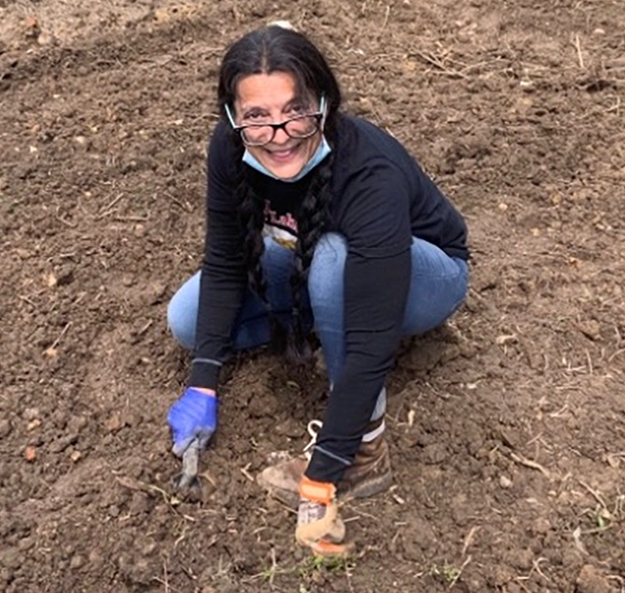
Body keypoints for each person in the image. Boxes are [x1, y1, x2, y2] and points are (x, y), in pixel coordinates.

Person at [165, 22, 469, 556]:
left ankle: (367, 451)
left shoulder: (366, 171)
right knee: (187, 322)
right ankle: (320, 325)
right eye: (256, 117)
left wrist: (325, 467)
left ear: (324, 104)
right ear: (234, 117)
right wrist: (203, 383)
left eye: (295, 111)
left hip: (423, 278)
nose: (278, 135)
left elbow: (374, 336)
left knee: (332, 260)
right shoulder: (231, 150)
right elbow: (225, 260)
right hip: (315, 261)